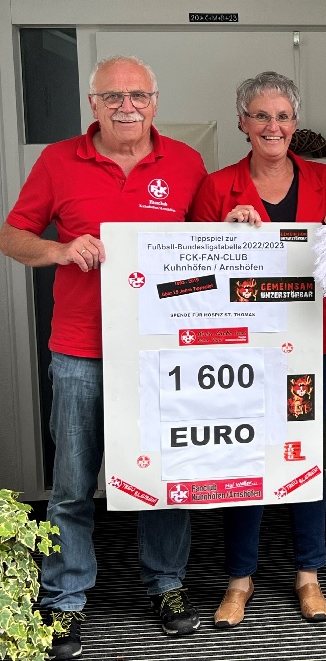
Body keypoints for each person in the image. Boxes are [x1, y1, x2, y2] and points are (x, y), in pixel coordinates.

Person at [0, 55, 207, 660]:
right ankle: (65, 600)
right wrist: (61, 250)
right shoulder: (57, 161)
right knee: (70, 484)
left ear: (155, 101)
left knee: (162, 479)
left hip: (163, 352)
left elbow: (209, 246)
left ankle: (166, 585)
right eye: (112, 96)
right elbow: (12, 235)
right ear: (92, 104)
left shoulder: (188, 164)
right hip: (80, 352)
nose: (126, 106)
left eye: (137, 95)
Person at [189, 71, 326, 628]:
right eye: (261, 115)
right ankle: (240, 577)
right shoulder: (216, 187)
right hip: (241, 348)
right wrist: (220, 234)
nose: (273, 126)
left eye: (282, 116)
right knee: (245, 455)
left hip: (311, 343)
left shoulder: (324, 182)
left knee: (306, 451)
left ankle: (308, 573)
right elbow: (189, 277)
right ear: (242, 123)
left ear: (295, 123)